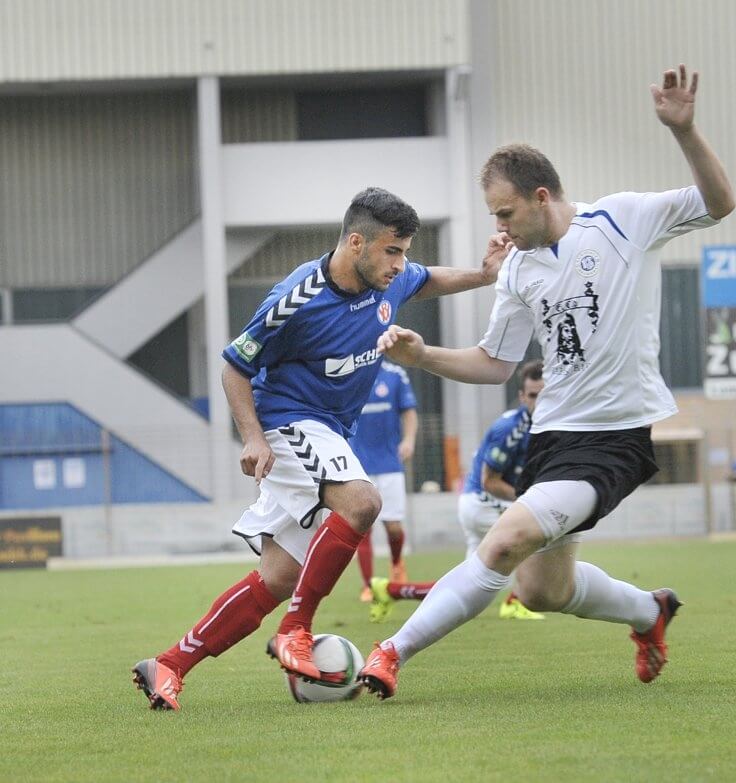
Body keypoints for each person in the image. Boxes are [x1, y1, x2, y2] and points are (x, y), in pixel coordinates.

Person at [357, 63, 735, 699]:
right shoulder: (518, 271)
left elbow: (719, 204)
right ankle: (650, 611)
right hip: (552, 437)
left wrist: (686, 131)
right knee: (541, 591)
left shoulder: (623, 221)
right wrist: (424, 357)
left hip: (613, 439)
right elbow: (495, 364)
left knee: (505, 542)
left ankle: (390, 652)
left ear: (541, 197)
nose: (499, 229)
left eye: (506, 213)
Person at [130, 187, 507, 710]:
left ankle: (169, 664)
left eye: (404, 251)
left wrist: (484, 275)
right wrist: (254, 437)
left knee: (279, 577)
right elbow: (235, 366)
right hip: (289, 423)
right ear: (356, 242)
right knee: (363, 503)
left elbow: (429, 279)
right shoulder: (295, 300)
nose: (401, 264)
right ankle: (296, 631)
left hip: (329, 432)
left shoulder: (389, 280)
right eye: (392, 251)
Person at [367, 359, 547, 623]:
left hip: (488, 503)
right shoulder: (509, 430)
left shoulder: (544, 426)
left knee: (468, 585)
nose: (539, 402)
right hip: (482, 501)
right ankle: (514, 601)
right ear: (522, 397)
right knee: (535, 533)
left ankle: (391, 590)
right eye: (533, 395)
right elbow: (490, 482)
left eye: (545, 395)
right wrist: (528, 499)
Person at [349, 359, 419, 603]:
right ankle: (368, 585)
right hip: (357, 465)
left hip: (389, 463)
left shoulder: (395, 374)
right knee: (363, 528)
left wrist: (409, 440)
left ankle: (397, 563)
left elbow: (409, 410)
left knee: (393, 527)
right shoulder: (348, 371)